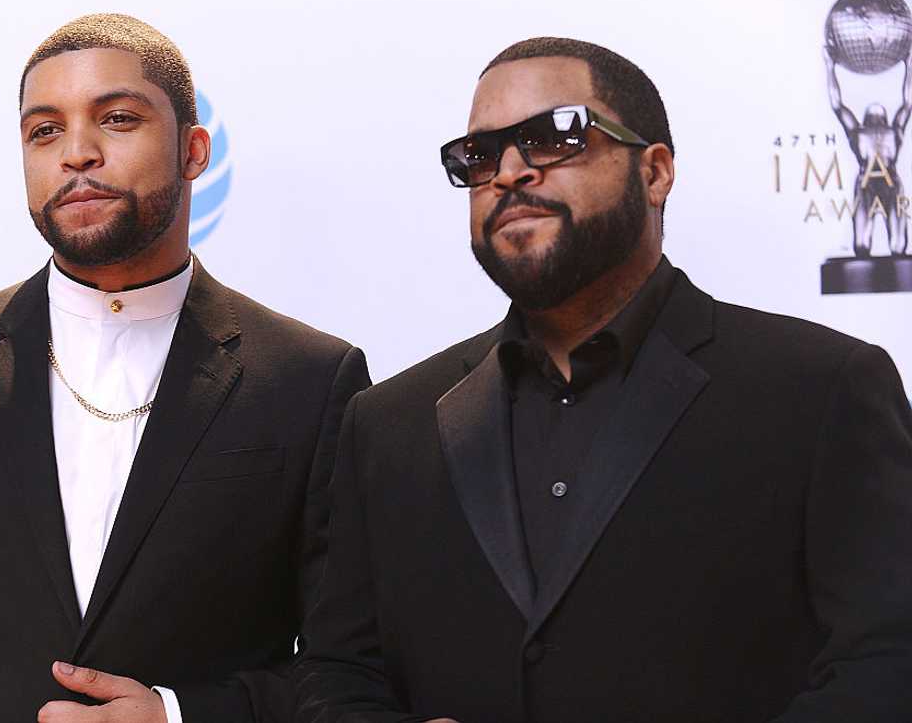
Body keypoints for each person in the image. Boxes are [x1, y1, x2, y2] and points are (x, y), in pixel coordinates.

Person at [295, 37, 912, 723]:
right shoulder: (387, 423)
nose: (509, 173)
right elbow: (336, 674)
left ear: (654, 172)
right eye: (479, 156)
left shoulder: (823, 389)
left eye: (553, 137)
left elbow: (885, 664)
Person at [0, 13, 369, 723]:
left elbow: (348, 665)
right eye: (44, 131)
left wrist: (177, 715)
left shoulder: (312, 380)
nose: (77, 152)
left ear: (194, 150)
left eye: (117, 118)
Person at [824, 47, 911, 256]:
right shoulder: (858, 132)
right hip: (866, 185)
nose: (876, 110)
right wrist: (829, 66)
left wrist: (909, 64)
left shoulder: (894, 130)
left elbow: (909, 102)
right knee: (861, 247)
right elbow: (836, 105)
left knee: (899, 247)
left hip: (891, 184)